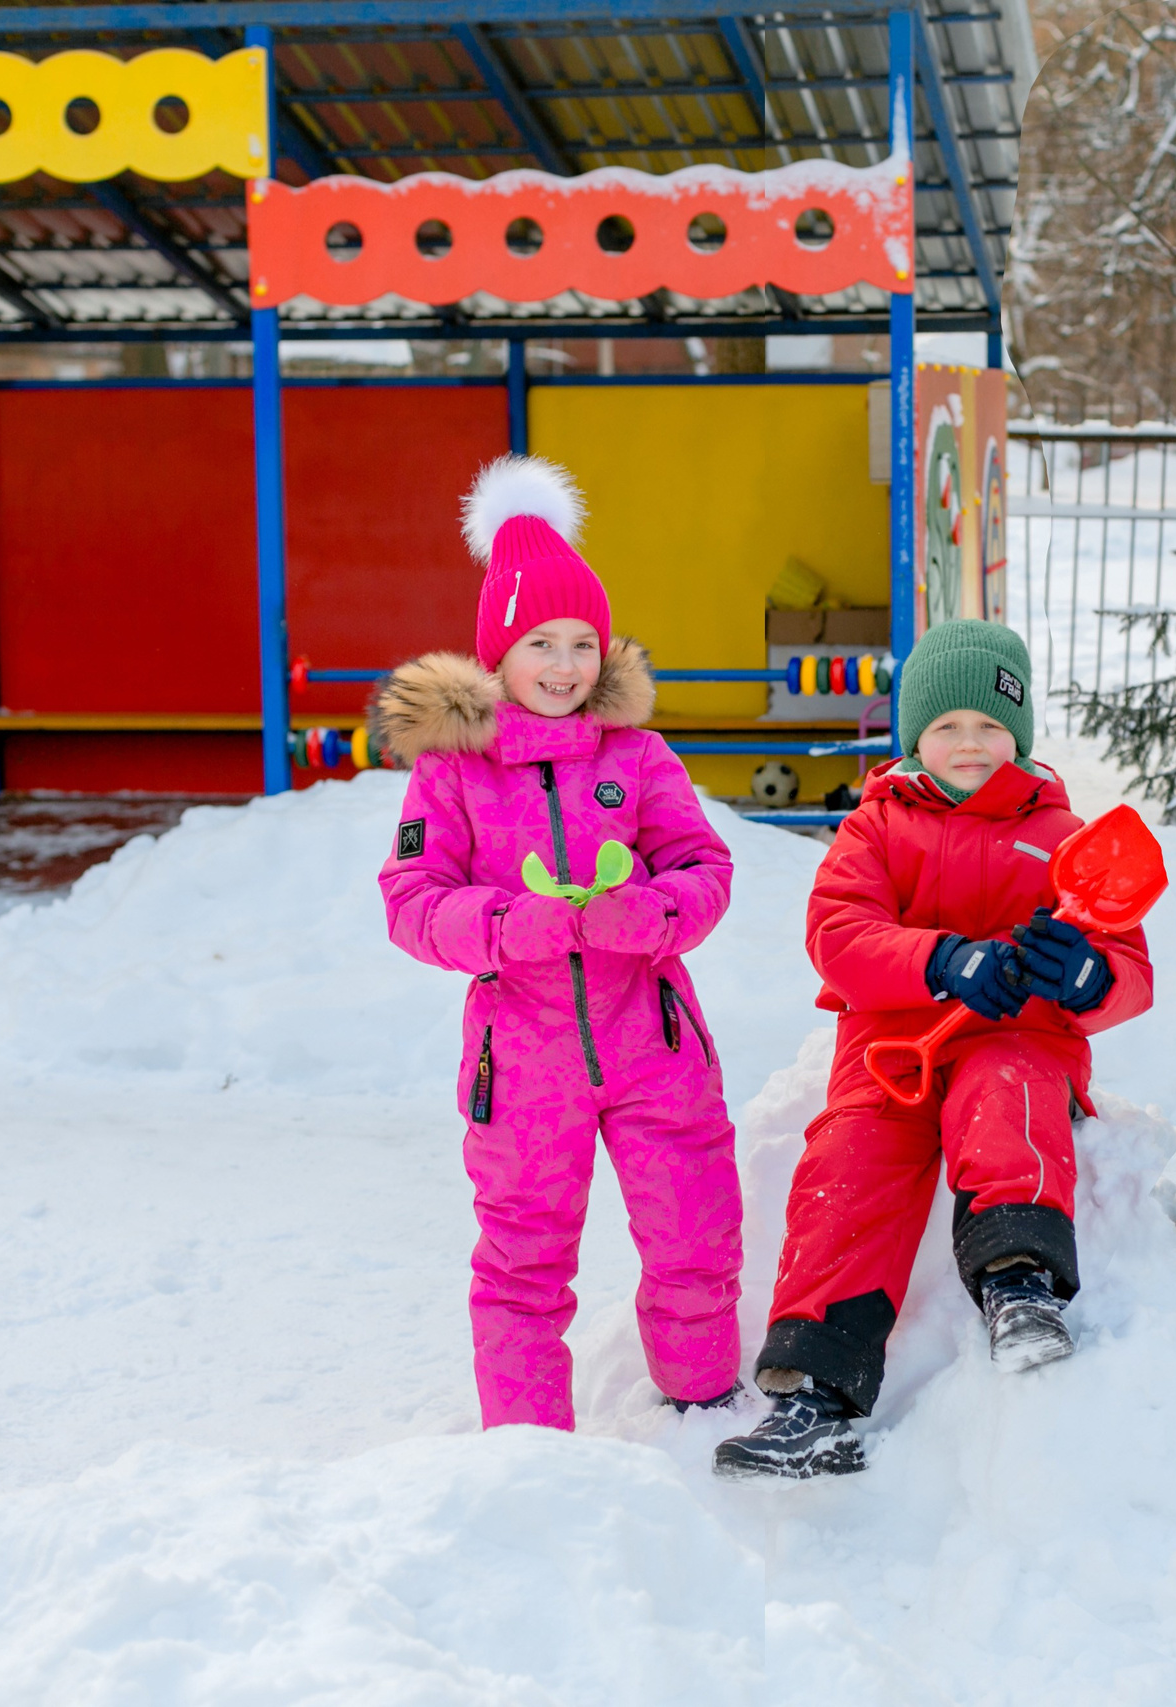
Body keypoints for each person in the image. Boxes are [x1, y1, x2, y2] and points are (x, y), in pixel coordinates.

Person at [714, 620, 1155, 1479]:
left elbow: (1129, 967)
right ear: (914, 735)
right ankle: (816, 1394)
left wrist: (1085, 975)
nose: (970, 743)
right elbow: (839, 933)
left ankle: (1020, 1284)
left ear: (1019, 733)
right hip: (892, 1047)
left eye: (990, 724)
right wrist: (943, 961)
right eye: (947, 725)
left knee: (1006, 1093)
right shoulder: (876, 827)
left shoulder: (1062, 834)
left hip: (1018, 1037)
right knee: (850, 1158)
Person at [375, 455, 743, 1431]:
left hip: (655, 1044)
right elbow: (411, 900)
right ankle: (528, 1452)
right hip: (523, 1062)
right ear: (498, 652)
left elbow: (703, 867)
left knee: (695, 1231)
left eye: (583, 642)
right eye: (540, 642)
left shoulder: (638, 756)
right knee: (522, 1260)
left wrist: (650, 914)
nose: (565, 664)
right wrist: (508, 927)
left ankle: (703, 1401)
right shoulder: (454, 772)